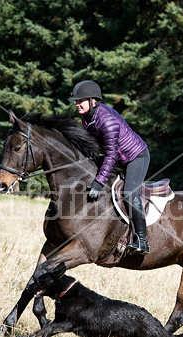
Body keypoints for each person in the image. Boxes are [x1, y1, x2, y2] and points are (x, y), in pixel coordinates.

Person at [69, 80, 150, 255]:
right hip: (118, 158)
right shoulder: (87, 116)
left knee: (129, 194)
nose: (77, 104)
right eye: (76, 101)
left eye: (80, 101)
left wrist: (99, 182)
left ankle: (142, 241)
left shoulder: (106, 120)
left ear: (93, 101)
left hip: (136, 157)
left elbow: (111, 155)